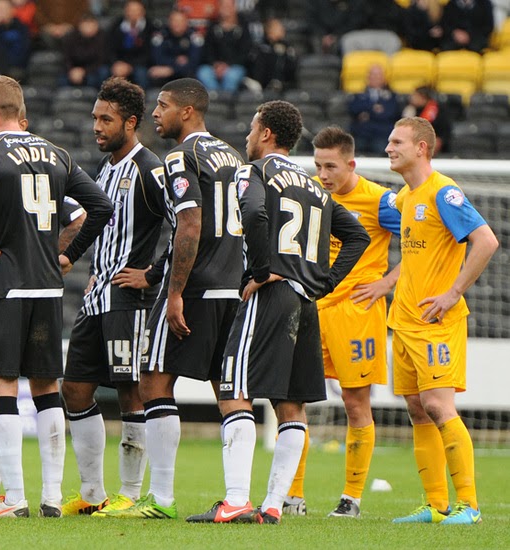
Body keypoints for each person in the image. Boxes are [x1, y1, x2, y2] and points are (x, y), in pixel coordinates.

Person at [187, 100, 370, 525]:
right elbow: (357, 237)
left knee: (234, 391)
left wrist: (261, 270)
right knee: (291, 403)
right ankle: (272, 505)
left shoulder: (254, 171)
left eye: (252, 129)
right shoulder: (313, 186)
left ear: (266, 133)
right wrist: (323, 282)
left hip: (270, 295)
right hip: (306, 301)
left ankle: (236, 500)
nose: (247, 136)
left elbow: (253, 212)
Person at [0, 75, 114, 518]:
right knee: (47, 388)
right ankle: (51, 497)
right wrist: (67, 256)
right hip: (47, 286)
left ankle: (14, 499)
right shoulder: (57, 154)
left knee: (2, 384)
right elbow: (101, 206)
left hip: (5, 286)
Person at [133, 78, 244, 521]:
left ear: (187, 111)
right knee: (229, 391)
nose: (155, 113)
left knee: (153, 381)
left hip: (196, 285)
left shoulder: (182, 156)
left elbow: (190, 223)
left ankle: (160, 498)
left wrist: (174, 291)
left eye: (162, 105)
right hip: (232, 285)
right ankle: (237, 498)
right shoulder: (232, 156)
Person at [61, 77, 166, 517]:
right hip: (97, 296)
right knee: (74, 390)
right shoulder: (106, 169)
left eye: (106, 119)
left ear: (131, 122)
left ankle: (130, 493)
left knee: (130, 392)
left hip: (128, 299)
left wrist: (152, 275)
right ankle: (92, 493)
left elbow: (189, 224)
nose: (96, 127)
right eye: (95, 118)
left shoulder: (149, 169)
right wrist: (84, 266)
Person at [387, 117, 498, 525]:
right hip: (405, 319)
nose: (388, 148)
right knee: (417, 409)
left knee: (437, 404)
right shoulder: (406, 196)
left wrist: (453, 293)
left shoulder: (443, 192)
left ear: (421, 148)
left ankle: (470, 506)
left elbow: (486, 241)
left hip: (436, 321)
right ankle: (436, 506)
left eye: (397, 142)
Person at [284, 126, 399, 519]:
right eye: (318, 165)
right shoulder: (312, 195)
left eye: (331, 166)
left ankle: (351, 498)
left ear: (351, 164)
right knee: (293, 398)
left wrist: (386, 283)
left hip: (356, 312)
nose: (323, 174)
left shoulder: (380, 200)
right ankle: (293, 496)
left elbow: (427, 240)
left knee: (354, 402)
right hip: (312, 307)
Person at [196, 0, 252, 93]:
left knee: (231, 76)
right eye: (223, 6)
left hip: (235, 66)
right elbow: (207, 50)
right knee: (203, 73)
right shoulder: (212, 27)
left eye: (228, 6)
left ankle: (226, 100)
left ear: (234, 8)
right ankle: (215, 98)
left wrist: (227, 65)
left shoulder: (243, 27)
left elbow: (245, 52)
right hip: (214, 66)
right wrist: (215, 65)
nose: (226, 9)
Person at [349, 65, 401, 155]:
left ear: (384, 78)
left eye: (378, 75)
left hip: (382, 134)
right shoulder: (359, 95)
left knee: (381, 146)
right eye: (373, 75)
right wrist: (373, 109)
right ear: (367, 77)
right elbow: (354, 109)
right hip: (362, 134)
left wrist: (367, 113)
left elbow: (390, 113)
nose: (375, 78)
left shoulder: (392, 96)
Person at [148, 10, 204, 89]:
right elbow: (156, 58)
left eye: (180, 21)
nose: (177, 24)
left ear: (186, 23)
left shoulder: (195, 36)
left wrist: (172, 70)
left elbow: (195, 61)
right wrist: (175, 61)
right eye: (174, 21)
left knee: (193, 75)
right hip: (164, 72)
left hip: (185, 72)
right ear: (169, 22)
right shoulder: (160, 35)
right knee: (154, 74)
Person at [107, 0, 156, 86]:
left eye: (136, 10)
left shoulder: (150, 27)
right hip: (119, 62)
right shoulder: (116, 25)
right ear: (125, 11)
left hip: (140, 63)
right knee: (104, 72)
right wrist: (116, 63)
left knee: (141, 74)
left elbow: (150, 52)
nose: (133, 13)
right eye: (130, 10)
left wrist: (130, 66)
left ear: (143, 12)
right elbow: (109, 48)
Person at [402, 86, 451, 155]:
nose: (412, 98)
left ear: (423, 97)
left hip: (435, 146)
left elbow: (443, 133)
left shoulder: (438, 110)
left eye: (415, 96)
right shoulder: (411, 110)